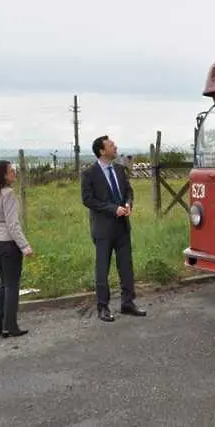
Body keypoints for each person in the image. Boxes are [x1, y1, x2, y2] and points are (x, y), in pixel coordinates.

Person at [81, 135, 147, 322]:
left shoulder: (119, 169)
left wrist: (127, 204)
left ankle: (128, 303)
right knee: (102, 268)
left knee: (126, 266)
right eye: (111, 145)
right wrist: (112, 209)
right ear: (102, 151)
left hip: (122, 227)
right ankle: (103, 306)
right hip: (103, 229)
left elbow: (128, 191)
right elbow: (88, 200)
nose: (115, 147)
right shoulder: (89, 173)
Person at [0, 160, 33, 338]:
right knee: (12, 285)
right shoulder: (8, 194)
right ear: (3, 175)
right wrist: (24, 245)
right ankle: (9, 325)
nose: (14, 174)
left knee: (4, 282)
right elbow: (13, 224)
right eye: (11, 171)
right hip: (7, 242)